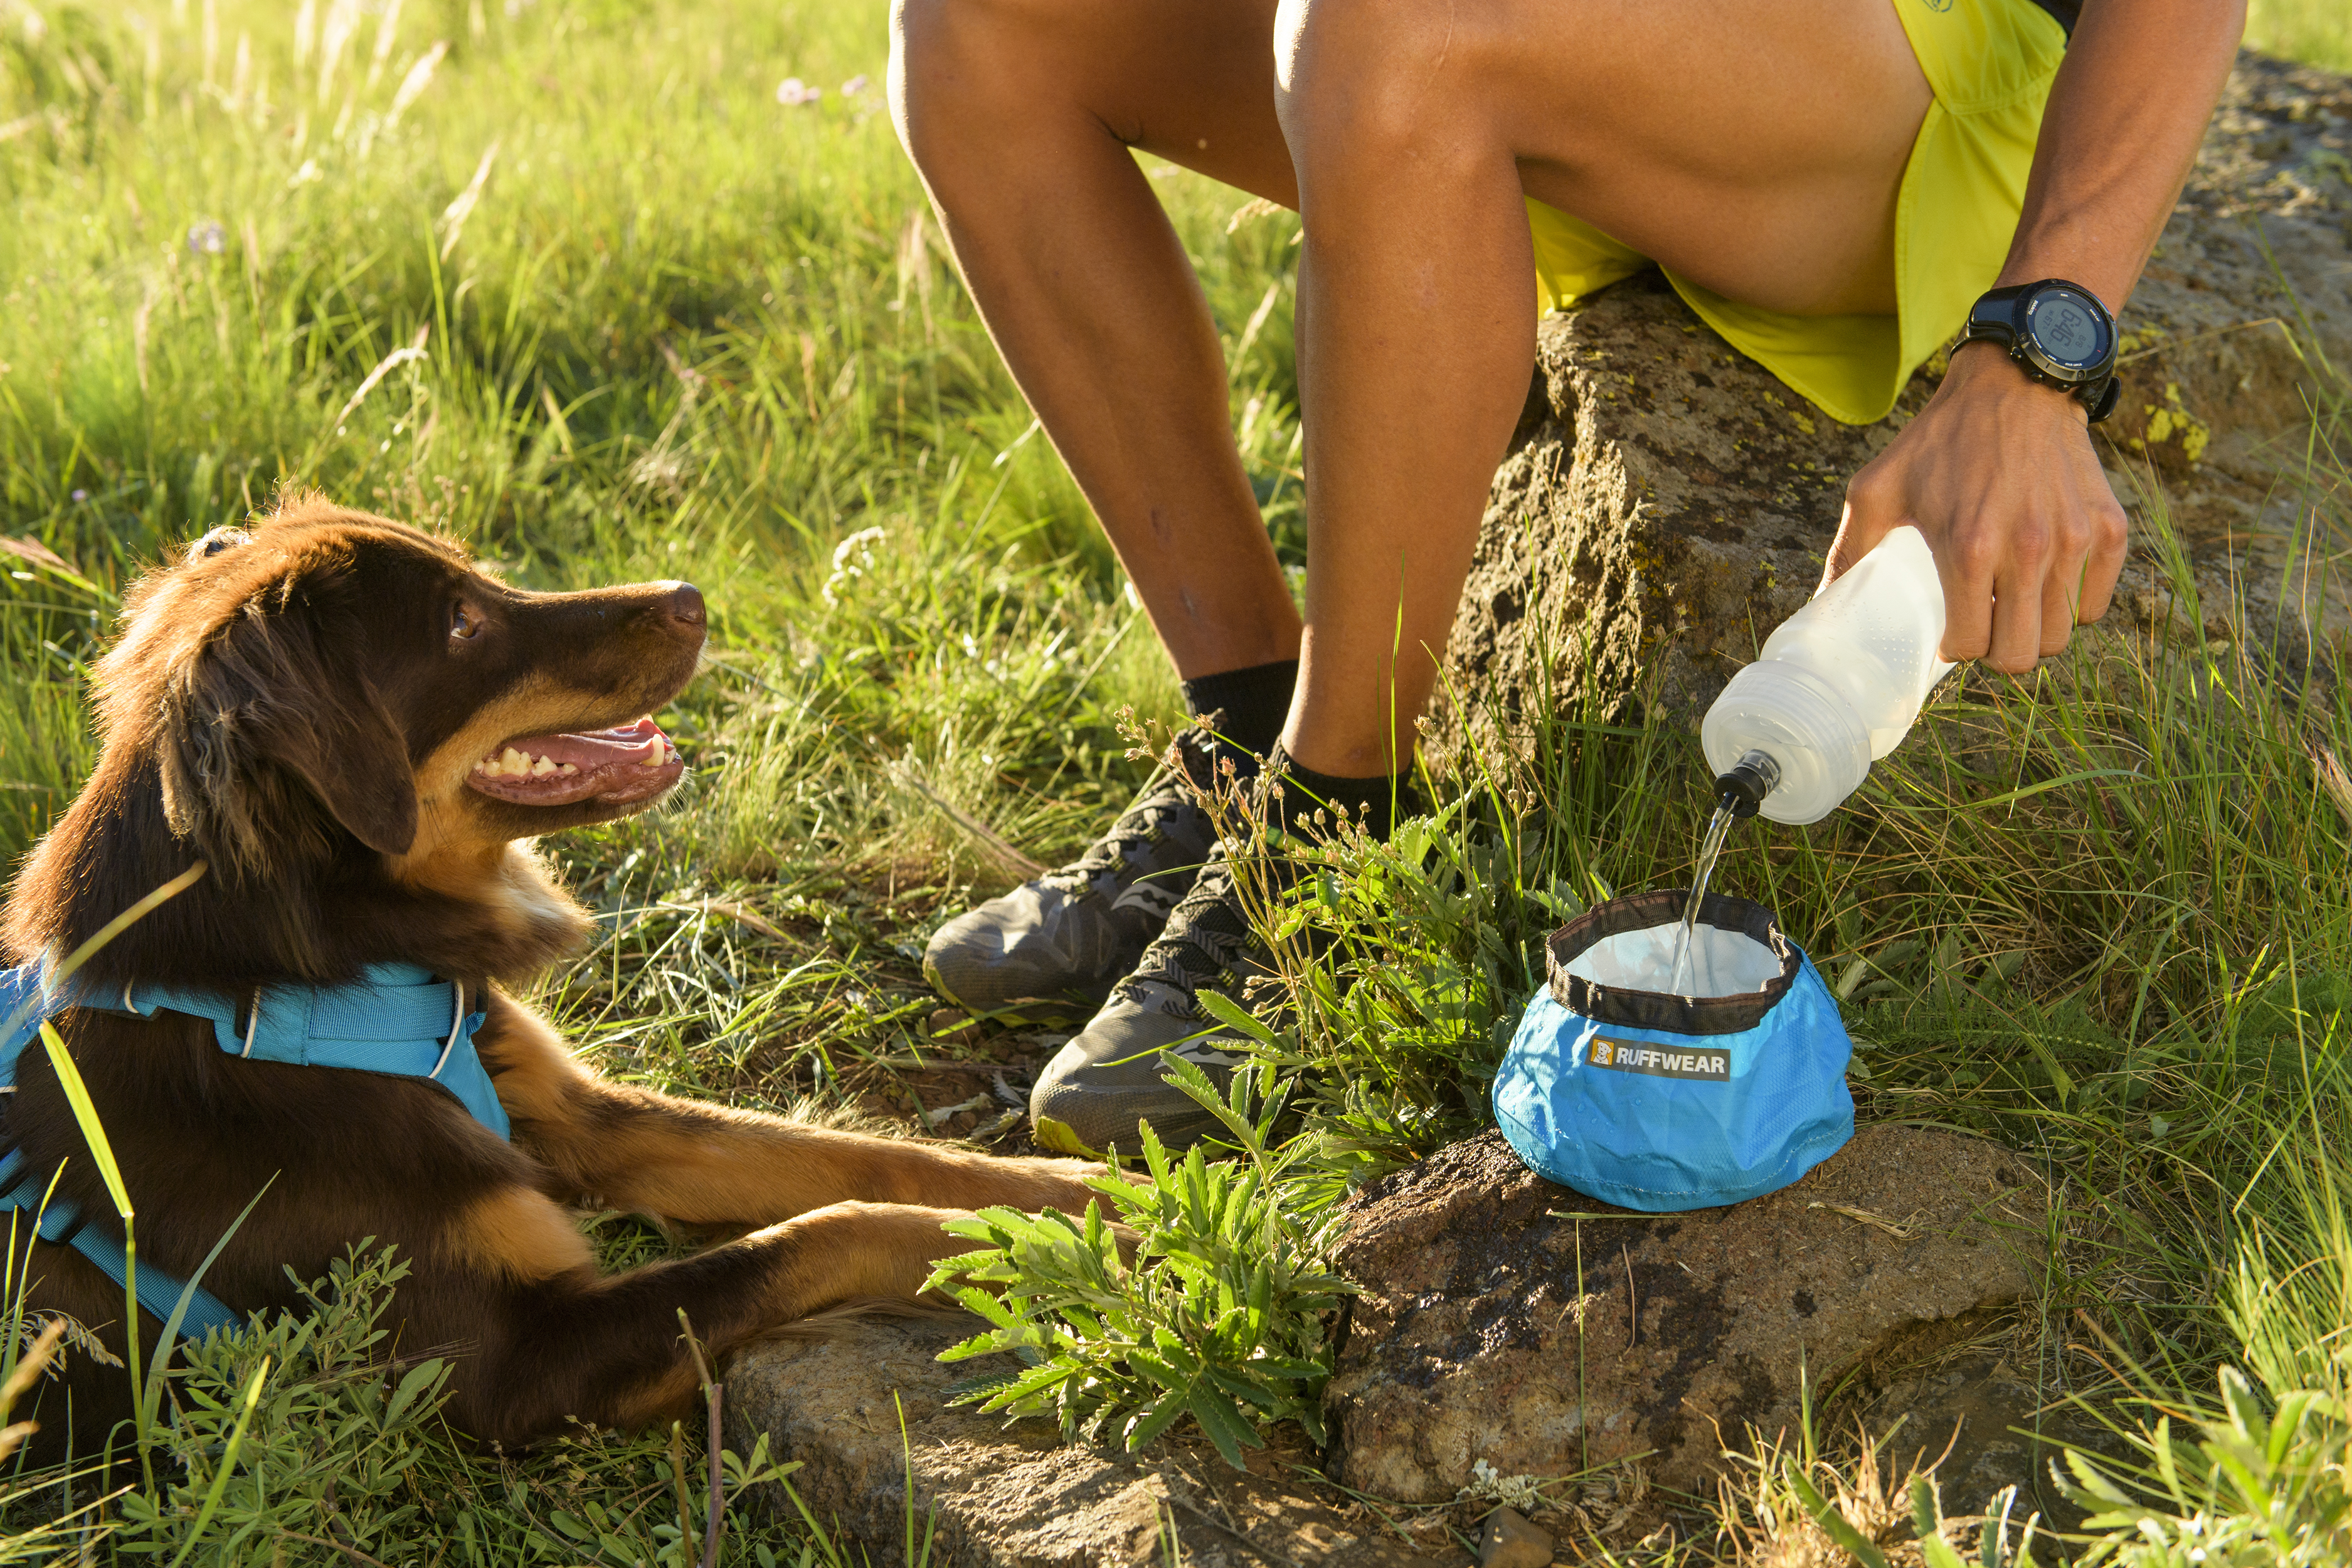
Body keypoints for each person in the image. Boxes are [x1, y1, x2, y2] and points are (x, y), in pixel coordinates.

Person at [887, 0, 2244, 1153]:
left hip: (1906, 91)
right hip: (1569, 55)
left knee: (1390, 17)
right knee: (984, 25)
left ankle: (1339, 826)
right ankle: (1245, 727)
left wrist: (2038, 351)